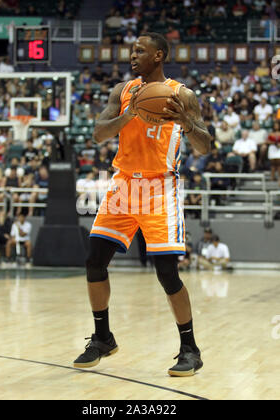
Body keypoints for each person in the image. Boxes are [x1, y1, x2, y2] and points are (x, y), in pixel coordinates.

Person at [73, 32, 211, 377]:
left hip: (160, 188)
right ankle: (103, 337)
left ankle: (190, 349)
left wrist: (186, 123)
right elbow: (99, 133)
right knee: (94, 260)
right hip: (123, 184)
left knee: (166, 272)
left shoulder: (183, 94)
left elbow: (206, 145)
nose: (133, 55)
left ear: (159, 55)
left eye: (140, 51)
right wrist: (129, 115)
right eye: (132, 50)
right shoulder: (121, 90)